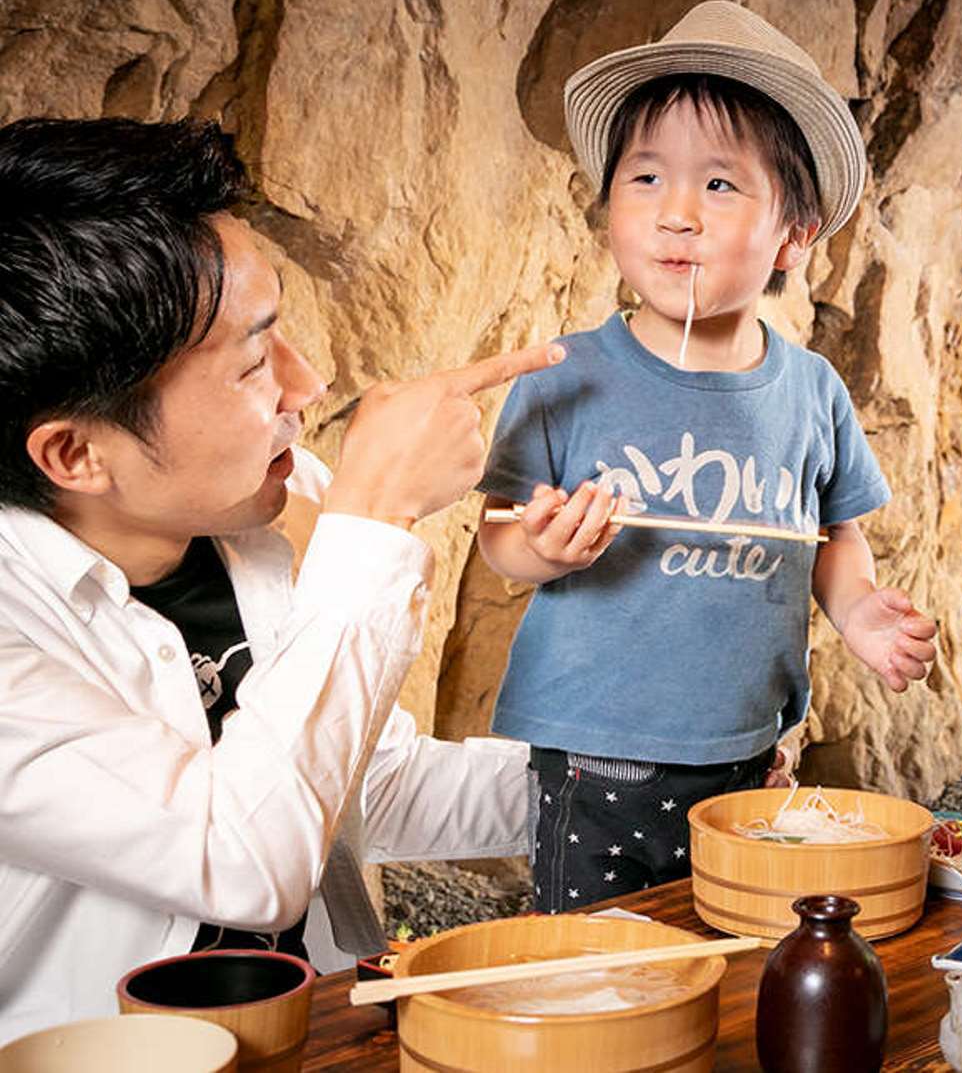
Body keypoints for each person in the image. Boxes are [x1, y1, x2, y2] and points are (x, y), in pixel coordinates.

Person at [0, 116, 563, 1041]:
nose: (310, 382)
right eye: (257, 359)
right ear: (75, 452)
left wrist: (639, 772)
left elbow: (358, 786)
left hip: (320, 1034)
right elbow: (244, 858)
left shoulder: (260, 509)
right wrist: (376, 515)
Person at [475, 1, 937, 911]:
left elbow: (832, 534)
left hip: (750, 750)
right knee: (599, 965)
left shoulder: (811, 392)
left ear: (795, 239)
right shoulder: (566, 376)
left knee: (734, 944)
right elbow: (496, 537)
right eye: (645, 178)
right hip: (595, 750)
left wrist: (858, 611)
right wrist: (541, 549)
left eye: (720, 186)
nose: (677, 213)